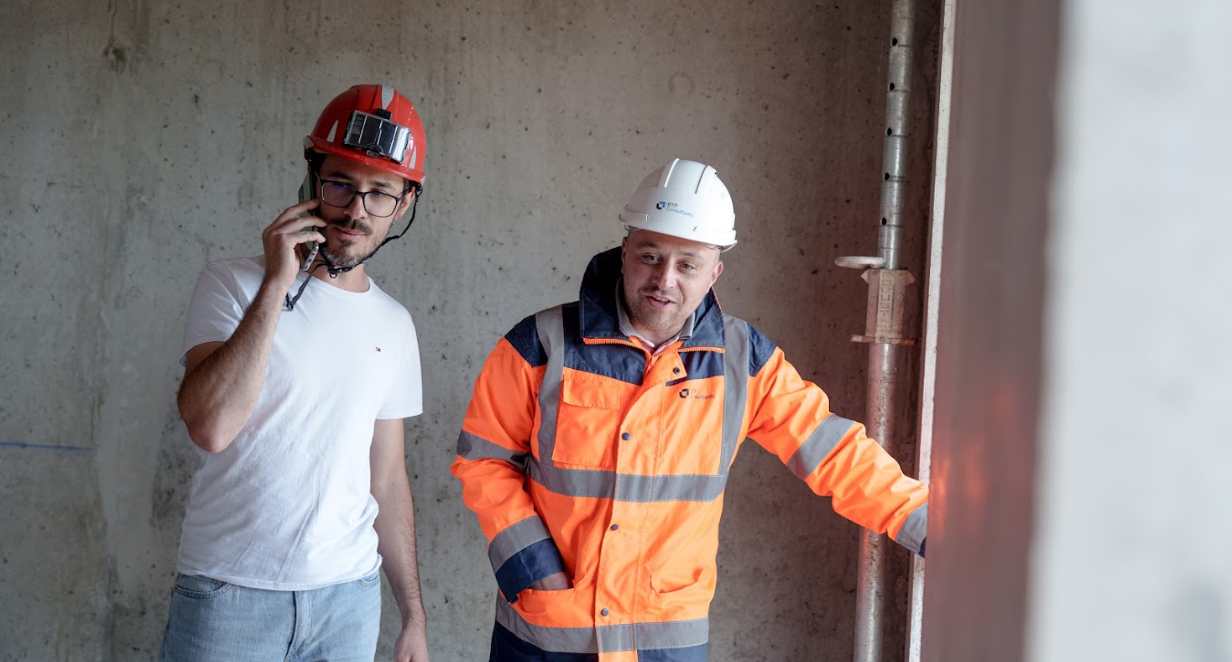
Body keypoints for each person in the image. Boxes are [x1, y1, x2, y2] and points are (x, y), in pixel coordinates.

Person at [451, 158, 928, 661]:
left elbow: (832, 451)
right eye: (650, 256)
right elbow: (483, 462)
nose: (665, 280)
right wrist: (533, 570)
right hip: (546, 630)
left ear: (714, 272)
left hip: (664, 638)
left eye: (688, 264)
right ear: (625, 250)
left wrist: (928, 525)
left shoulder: (742, 361)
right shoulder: (543, 343)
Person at [160, 84, 431, 662]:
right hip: (229, 594)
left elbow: (385, 477)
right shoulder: (231, 284)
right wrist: (276, 285)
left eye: (380, 193)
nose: (357, 209)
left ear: (403, 204)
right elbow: (210, 427)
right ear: (312, 181)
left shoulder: (395, 323)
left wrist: (413, 615)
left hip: (348, 602)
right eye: (341, 184)